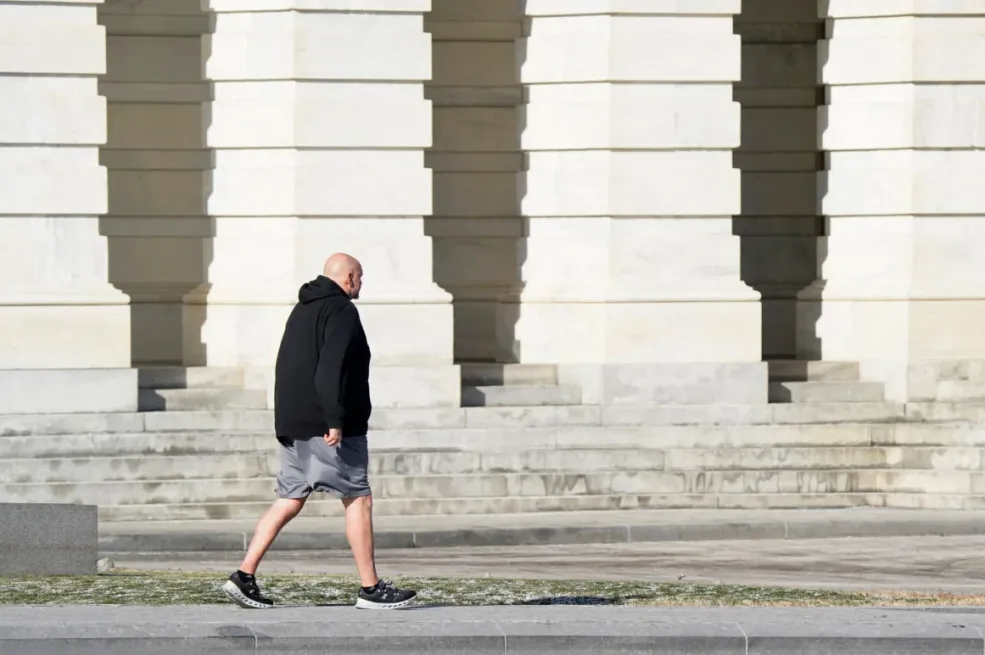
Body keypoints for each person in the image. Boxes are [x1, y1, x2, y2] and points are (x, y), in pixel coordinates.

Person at [221, 253, 417, 610]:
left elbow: (286, 365)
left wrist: (286, 422)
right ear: (349, 277)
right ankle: (371, 588)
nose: (361, 284)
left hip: (295, 424)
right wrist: (335, 419)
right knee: (358, 497)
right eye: (360, 277)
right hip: (325, 426)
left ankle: (244, 575)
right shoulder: (341, 311)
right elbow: (332, 367)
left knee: (290, 498)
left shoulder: (302, 309)